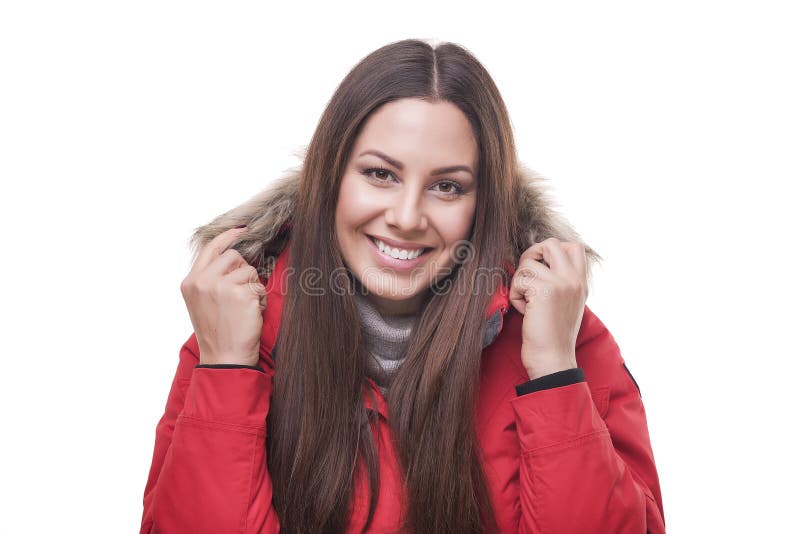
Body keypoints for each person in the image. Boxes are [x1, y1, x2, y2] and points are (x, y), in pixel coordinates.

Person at [140, 39, 665, 534]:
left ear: (485, 205)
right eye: (380, 174)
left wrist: (553, 370)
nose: (407, 217)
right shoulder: (233, 335)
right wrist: (229, 369)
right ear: (330, 177)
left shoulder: (566, 340)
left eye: (446, 186)